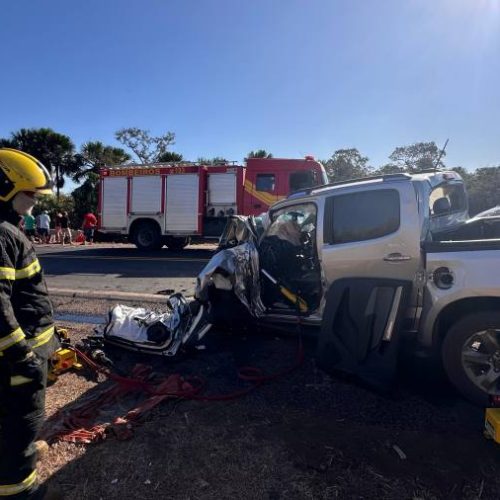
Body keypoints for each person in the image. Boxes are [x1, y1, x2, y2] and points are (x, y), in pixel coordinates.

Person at [0, 148, 60, 499]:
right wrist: (21, 356)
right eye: (30, 196)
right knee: (18, 427)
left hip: (16, 359)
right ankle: (19, 490)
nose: (34, 204)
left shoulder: (7, 228)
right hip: (15, 365)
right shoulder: (3, 234)